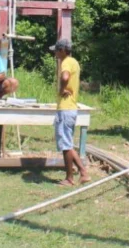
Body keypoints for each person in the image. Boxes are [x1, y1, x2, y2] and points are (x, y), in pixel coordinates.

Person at [51, 38, 89, 186]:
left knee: (66, 146)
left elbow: (65, 77)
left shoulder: (66, 62)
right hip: (71, 108)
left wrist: (61, 90)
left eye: (56, 50)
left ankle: (70, 178)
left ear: (61, 50)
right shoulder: (74, 62)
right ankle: (83, 172)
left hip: (65, 108)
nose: (55, 53)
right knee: (67, 144)